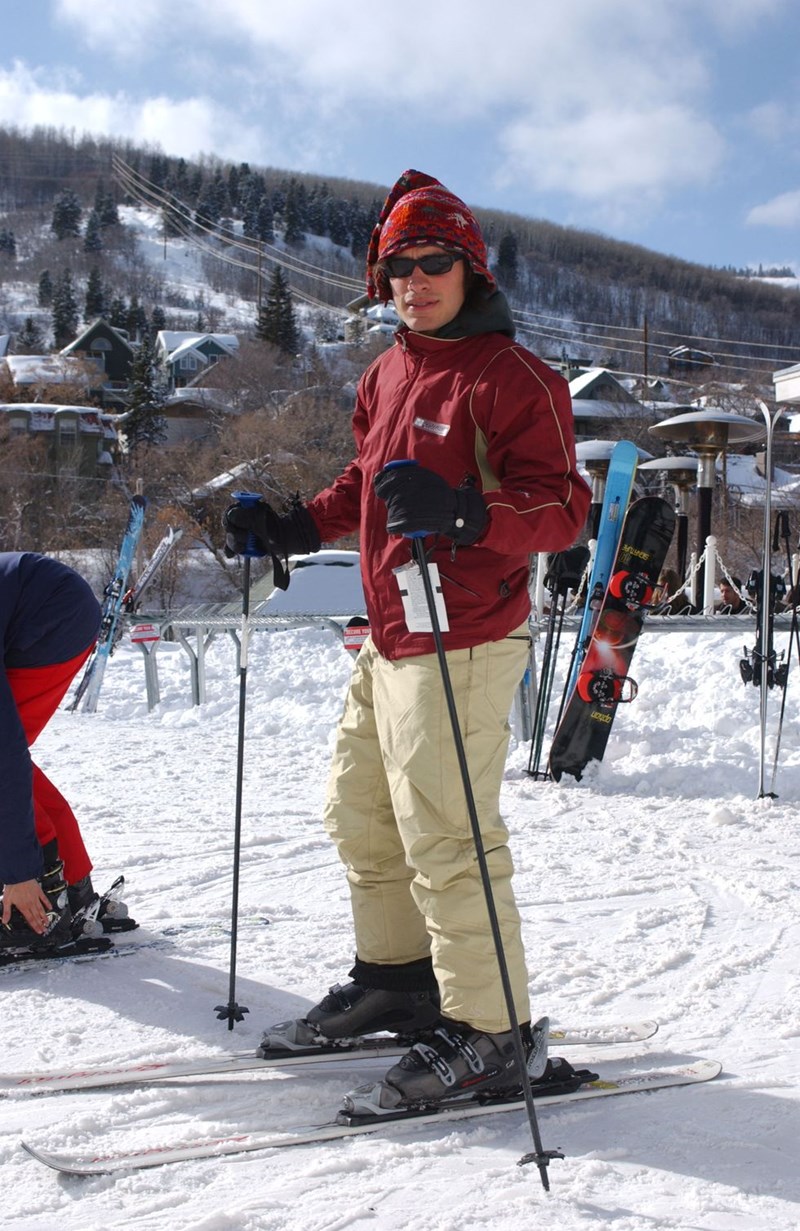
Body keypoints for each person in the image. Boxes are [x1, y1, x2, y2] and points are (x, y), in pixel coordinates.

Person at [225, 169, 591, 1111]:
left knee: (450, 834)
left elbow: (563, 510)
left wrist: (469, 511)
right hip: (388, 631)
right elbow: (365, 484)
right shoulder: (388, 370)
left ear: (470, 269)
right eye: (398, 266)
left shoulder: (514, 377)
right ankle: (399, 979)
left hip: (463, 636)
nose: (415, 280)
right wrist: (297, 525)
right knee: (360, 811)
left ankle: (492, 1027)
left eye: (434, 262)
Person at [0, 552, 130, 952]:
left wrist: (18, 872)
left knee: (4, 759)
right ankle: (74, 888)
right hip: (50, 604)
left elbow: (6, 755)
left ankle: (38, 908)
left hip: (49, 613)